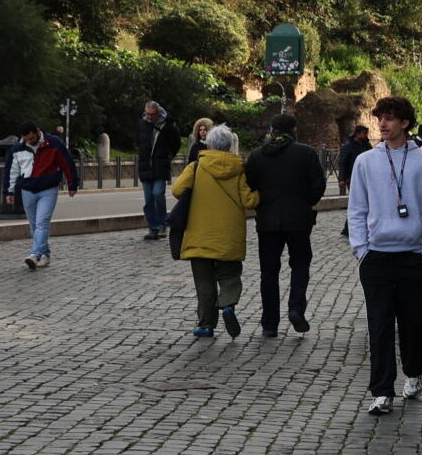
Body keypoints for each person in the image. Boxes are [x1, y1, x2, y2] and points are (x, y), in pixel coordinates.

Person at [346, 96, 422, 414]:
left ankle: (413, 373)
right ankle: (382, 391)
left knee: (415, 323)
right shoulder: (366, 161)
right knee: (380, 325)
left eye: (389, 118)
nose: (383, 124)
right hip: (377, 256)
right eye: (380, 118)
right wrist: (361, 250)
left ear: (404, 122)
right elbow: (357, 209)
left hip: (413, 256)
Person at [171, 124, 258, 339]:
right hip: (229, 235)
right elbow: (249, 201)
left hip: (199, 234)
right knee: (230, 275)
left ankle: (206, 325)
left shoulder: (196, 167)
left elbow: (176, 190)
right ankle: (228, 304)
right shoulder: (238, 169)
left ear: (209, 144)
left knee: (204, 282)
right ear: (229, 146)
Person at [244, 114, 327, 337]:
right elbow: (318, 185)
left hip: (267, 222)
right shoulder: (306, 153)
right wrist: (305, 202)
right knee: (300, 264)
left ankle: (270, 323)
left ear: (272, 130)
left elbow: (249, 184)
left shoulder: (257, 156)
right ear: (294, 129)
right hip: (299, 219)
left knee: (269, 272)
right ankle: (296, 307)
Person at [14, 121, 80, 269]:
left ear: (37, 132)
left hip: (48, 188)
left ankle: (35, 254)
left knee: (42, 222)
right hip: (28, 188)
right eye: (26, 139)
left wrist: (72, 184)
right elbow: (12, 168)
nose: (29, 141)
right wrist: (9, 188)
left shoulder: (54, 143)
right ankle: (45, 254)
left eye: (31, 138)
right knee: (34, 225)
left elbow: (67, 163)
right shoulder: (20, 147)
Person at [138, 102, 184, 242]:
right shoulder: (142, 124)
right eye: (147, 114)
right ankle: (153, 229)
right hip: (146, 166)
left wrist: (168, 155)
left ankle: (162, 223)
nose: (149, 117)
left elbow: (176, 143)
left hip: (160, 166)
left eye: (152, 114)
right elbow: (138, 141)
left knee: (158, 193)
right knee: (148, 199)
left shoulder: (167, 125)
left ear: (158, 113)